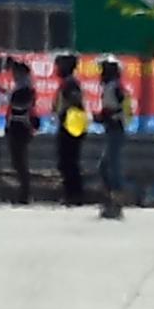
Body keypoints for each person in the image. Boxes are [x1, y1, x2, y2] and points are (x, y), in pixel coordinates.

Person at [95, 56, 133, 212]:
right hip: (113, 128)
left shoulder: (114, 88)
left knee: (112, 165)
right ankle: (110, 195)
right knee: (104, 166)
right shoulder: (112, 87)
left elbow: (119, 109)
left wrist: (106, 116)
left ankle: (117, 196)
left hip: (115, 129)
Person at [0, 57, 38, 206]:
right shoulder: (20, 88)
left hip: (21, 127)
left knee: (20, 161)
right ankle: (24, 192)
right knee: (17, 161)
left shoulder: (26, 88)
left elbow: (18, 105)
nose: (13, 75)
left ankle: (25, 193)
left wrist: (5, 95)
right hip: (16, 126)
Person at [57, 62, 91, 206]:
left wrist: (65, 115)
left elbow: (75, 102)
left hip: (71, 126)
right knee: (67, 162)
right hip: (71, 125)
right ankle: (72, 193)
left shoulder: (70, 83)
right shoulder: (68, 82)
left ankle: (74, 194)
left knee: (68, 162)